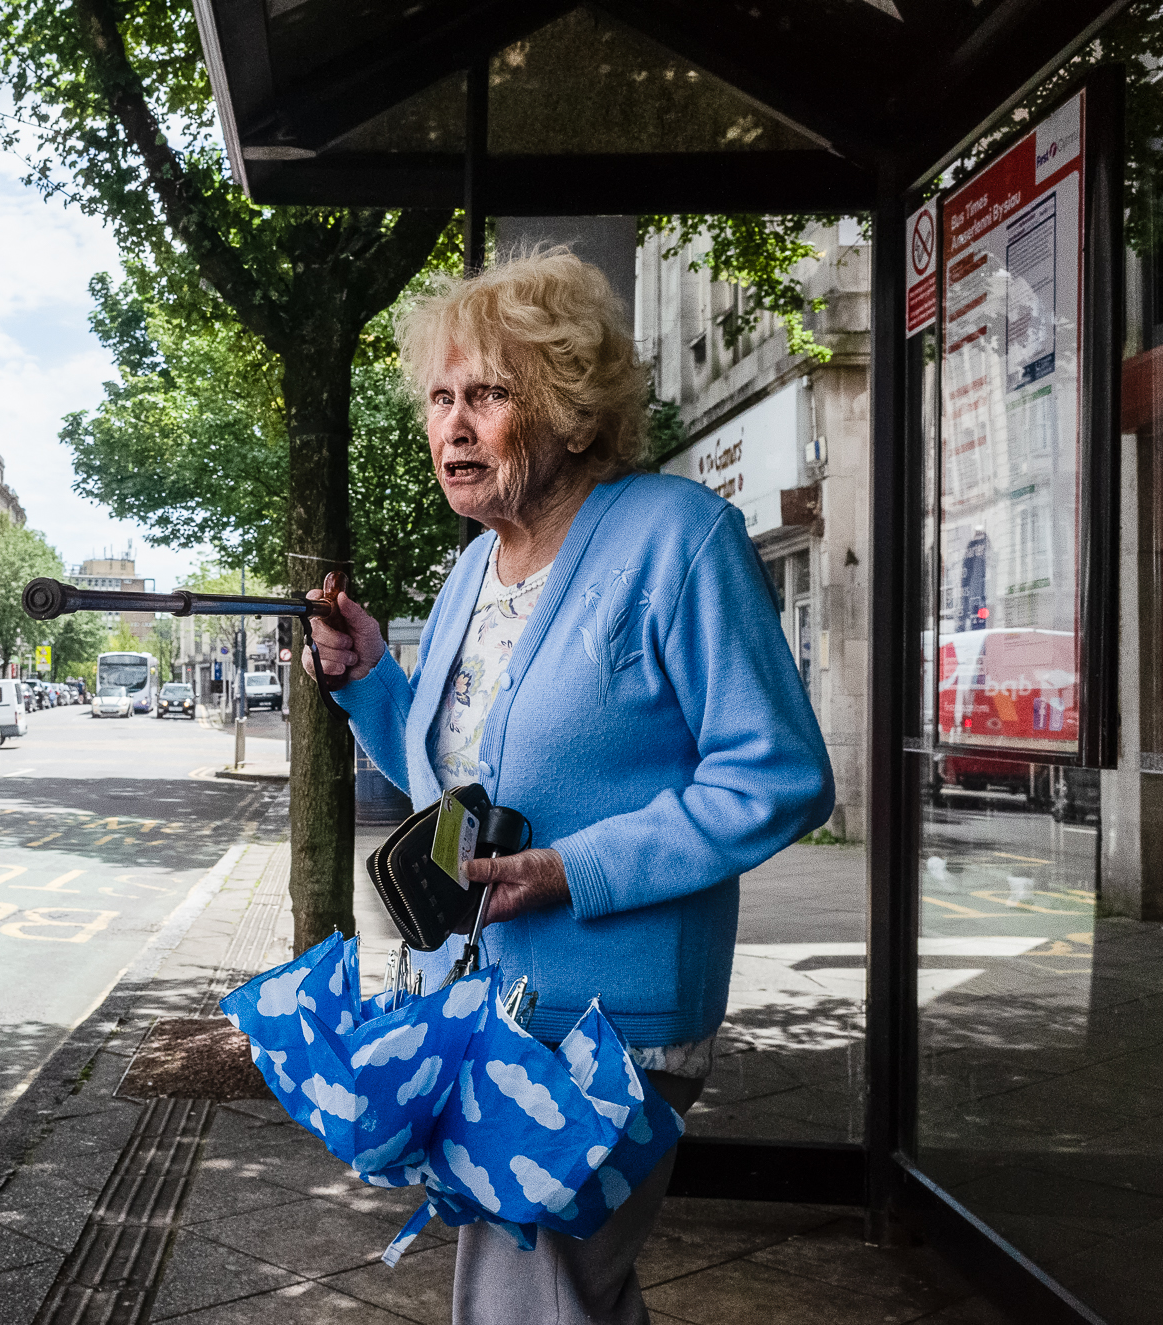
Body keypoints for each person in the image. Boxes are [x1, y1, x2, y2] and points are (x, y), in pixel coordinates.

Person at [304, 247, 833, 1324]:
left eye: (488, 395)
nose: (452, 423)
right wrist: (370, 684)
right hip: (479, 1001)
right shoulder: (470, 568)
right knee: (536, 1292)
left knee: (531, 1294)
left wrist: (571, 868)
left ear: (569, 410)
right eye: (441, 396)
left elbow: (776, 773)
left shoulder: (678, 539)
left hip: (609, 1019)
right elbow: (462, 771)